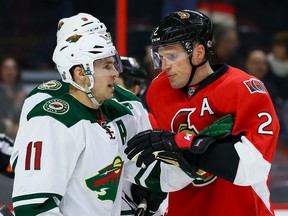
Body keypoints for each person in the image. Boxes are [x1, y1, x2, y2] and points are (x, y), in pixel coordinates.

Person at [10, 13, 169, 216]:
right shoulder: (46, 104)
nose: (114, 72)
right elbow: (28, 173)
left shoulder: (127, 102)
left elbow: (142, 166)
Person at [125, 10, 280, 216]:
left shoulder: (244, 89)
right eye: (160, 56)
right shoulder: (158, 90)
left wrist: (183, 142)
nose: (164, 66)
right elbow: (168, 159)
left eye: (171, 56)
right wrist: (154, 184)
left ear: (198, 53)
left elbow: (252, 168)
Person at [0, 56, 27, 138]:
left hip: (18, 139)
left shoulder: (24, 93)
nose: (10, 72)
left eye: (13, 68)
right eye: (6, 68)